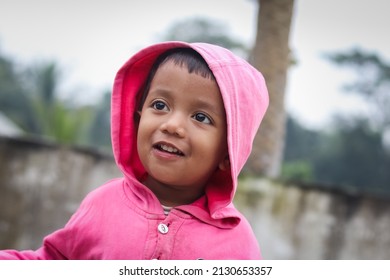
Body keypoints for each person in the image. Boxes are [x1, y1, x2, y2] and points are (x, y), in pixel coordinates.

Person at [0, 41, 269, 260]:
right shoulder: (102, 204)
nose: (172, 125)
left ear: (228, 152)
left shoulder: (236, 244)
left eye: (201, 117)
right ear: (138, 115)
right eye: (160, 105)